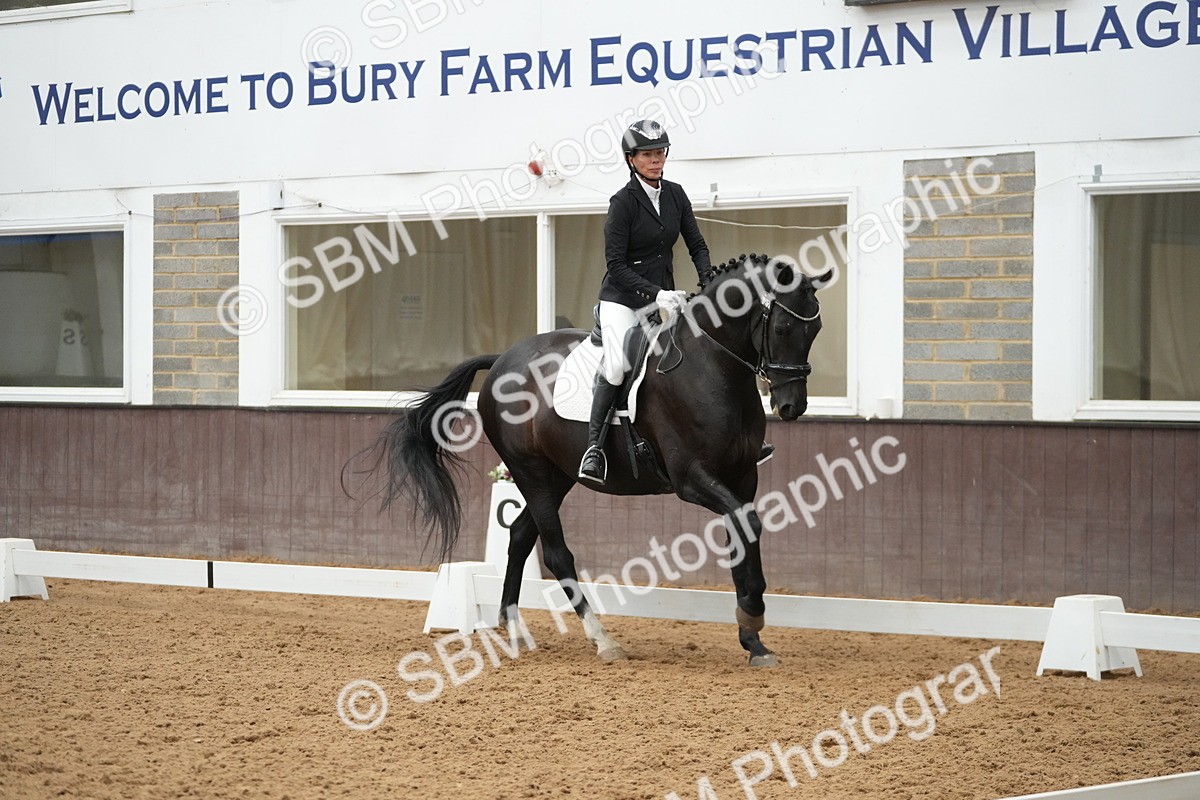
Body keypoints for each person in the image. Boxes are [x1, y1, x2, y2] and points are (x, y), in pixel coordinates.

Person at [577, 119, 773, 485]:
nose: (655, 160)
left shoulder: (676, 194)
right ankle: (595, 449)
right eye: (647, 154)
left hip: (663, 297)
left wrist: (709, 283)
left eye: (659, 153)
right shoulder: (622, 203)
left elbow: (696, 244)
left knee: (698, 356)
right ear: (631, 159)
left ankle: (738, 439)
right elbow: (616, 265)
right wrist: (655, 294)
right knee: (618, 365)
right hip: (622, 300)